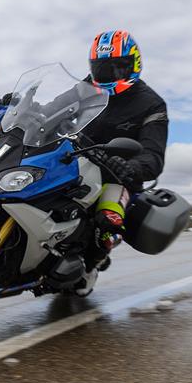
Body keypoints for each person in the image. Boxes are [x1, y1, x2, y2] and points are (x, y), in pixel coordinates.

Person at [75, 30, 168, 293]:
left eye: (118, 68)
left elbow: (154, 155)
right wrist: (25, 108)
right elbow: (55, 108)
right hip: (75, 158)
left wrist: (131, 167)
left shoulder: (152, 104)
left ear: (133, 65)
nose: (110, 75)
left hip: (116, 174)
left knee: (108, 220)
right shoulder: (86, 88)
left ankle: (91, 263)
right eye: (103, 69)